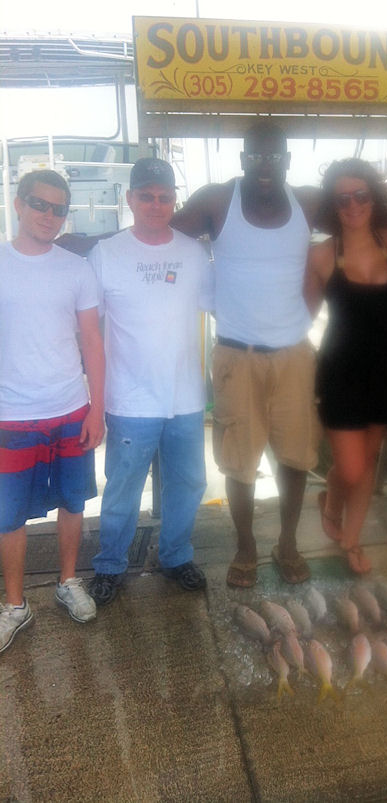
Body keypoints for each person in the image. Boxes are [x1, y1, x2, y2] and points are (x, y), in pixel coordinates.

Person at [171, 120, 323, 588]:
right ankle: (246, 546)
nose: (265, 165)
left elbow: (363, 218)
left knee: (295, 457)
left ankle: (288, 542)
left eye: (274, 157)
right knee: (239, 461)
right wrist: (91, 248)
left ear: (288, 162)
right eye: (255, 156)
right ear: (242, 159)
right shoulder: (218, 200)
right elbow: (159, 235)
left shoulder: (309, 202)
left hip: (295, 354)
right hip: (237, 355)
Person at [86, 158, 214, 606]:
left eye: (164, 196)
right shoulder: (106, 254)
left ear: (173, 200)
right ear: (130, 199)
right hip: (130, 400)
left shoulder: (194, 253)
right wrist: (93, 400)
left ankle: (175, 555)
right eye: (146, 196)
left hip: (187, 398)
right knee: (122, 489)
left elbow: (220, 309)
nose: (156, 204)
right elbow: (87, 330)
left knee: (190, 484)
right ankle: (109, 564)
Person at [0, 169, 104, 654]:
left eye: (58, 209)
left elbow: (92, 344)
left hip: (69, 408)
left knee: (73, 502)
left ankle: (67, 581)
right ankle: (15, 606)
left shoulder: (77, 269)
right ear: (18, 205)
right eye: (39, 204)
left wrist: (96, 409)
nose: (48, 215)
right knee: (8, 516)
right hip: (10, 414)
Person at [304, 159, 387, 574]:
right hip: (341, 372)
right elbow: (302, 315)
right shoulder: (322, 255)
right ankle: (331, 497)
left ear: (373, 198)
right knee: (351, 466)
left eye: (361, 195)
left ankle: (352, 539)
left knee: (369, 459)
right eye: (343, 198)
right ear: (334, 204)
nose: (353, 205)